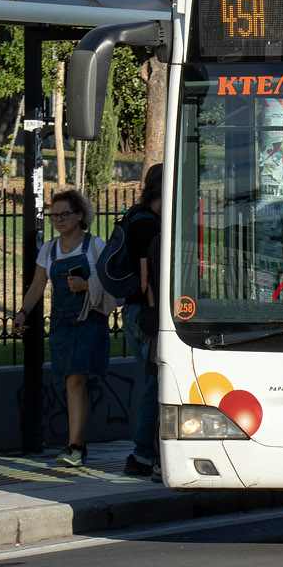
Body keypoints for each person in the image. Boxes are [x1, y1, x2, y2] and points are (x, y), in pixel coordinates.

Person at [12, 189, 111, 467]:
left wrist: (86, 286)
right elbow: (37, 286)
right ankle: (76, 444)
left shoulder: (95, 246)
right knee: (68, 380)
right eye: (54, 215)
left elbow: (109, 282)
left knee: (75, 379)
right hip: (60, 323)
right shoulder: (49, 249)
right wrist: (22, 312)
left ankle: (75, 446)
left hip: (88, 319)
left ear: (80, 215)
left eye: (64, 214)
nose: (58, 220)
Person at [121, 167, 161, 478]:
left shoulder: (134, 217)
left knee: (154, 382)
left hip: (131, 313)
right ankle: (144, 454)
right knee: (156, 384)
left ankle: (149, 452)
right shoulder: (151, 227)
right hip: (148, 313)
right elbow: (148, 279)